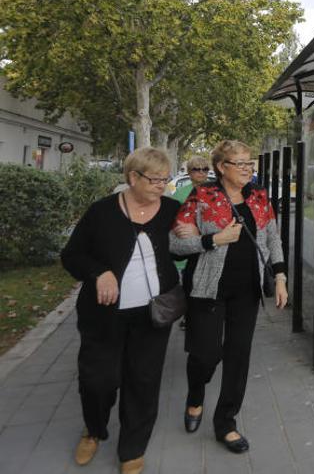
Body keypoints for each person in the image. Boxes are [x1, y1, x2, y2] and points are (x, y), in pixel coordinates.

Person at [61, 147, 180, 474]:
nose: (162, 186)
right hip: (104, 316)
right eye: (155, 179)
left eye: (165, 179)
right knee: (98, 379)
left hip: (153, 315)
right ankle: (94, 429)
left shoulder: (173, 210)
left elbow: (192, 243)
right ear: (133, 177)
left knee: (143, 381)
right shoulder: (102, 212)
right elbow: (71, 255)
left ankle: (132, 448)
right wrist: (100, 272)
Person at [169, 140, 288, 454]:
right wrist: (213, 239)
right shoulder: (203, 197)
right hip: (208, 290)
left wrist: (280, 276)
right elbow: (175, 244)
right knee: (206, 354)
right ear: (222, 167)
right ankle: (195, 395)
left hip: (246, 290)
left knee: (239, 356)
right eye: (241, 163)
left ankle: (226, 423)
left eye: (250, 163)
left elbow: (272, 237)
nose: (249, 169)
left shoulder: (258, 196)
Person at [172, 156, 211, 330]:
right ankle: (189, 318)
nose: (201, 172)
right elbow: (175, 223)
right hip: (187, 248)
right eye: (197, 169)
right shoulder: (180, 194)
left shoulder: (214, 191)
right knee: (189, 285)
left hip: (209, 246)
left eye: (205, 169)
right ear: (189, 172)